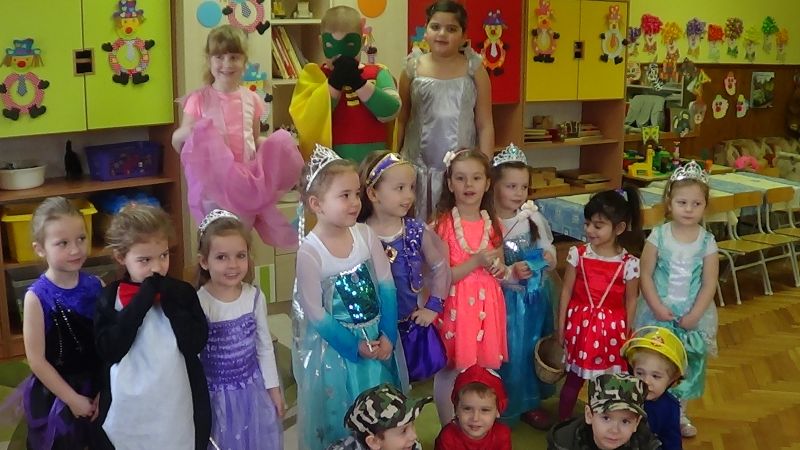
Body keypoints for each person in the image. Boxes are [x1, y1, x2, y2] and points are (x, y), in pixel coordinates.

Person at [293, 144, 403, 450]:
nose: (356, 202)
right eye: (345, 195)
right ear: (317, 203)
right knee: (342, 410)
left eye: (356, 193)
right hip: (337, 351)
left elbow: (387, 285)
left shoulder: (365, 235)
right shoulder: (310, 252)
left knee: (379, 406)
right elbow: (316, 313)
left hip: (377, 338)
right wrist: (354, 346)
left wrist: (388, 335)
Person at [173, 24, 303, 248]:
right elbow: (181, 143)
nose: (226, 64)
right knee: (216, 243)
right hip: (212, 188)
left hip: (244, 186)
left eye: (234, 57)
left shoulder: (252, 99)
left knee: (241, 241)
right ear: (209, 60)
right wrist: (192, 133)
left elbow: (254, 140)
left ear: (244, 61)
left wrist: (280, 148)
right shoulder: (199, 100)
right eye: (219, 57)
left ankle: (243, 271)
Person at [94, 204, 210, 449]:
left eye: (164, 256)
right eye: (145, 260)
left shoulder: (181, 292)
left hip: (177, 400)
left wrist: (171, 301)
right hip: (131, 403)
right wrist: (141, 302)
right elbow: (110, 350)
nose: (157, 268)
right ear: (121, 257)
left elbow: (195, 343)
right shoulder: (109, 297)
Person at [633, 161, 718, 438]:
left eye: (696, 203)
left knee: (685, 364)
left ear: (705, 206)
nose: (689, 209)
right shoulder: (659, 236)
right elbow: (645, 274)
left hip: (691, 314)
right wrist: (656, 306)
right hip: (658, 311)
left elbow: (709, 282)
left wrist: (695, 314)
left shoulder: (707, 241)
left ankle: (678, 413)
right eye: (682, 202)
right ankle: (643, 408)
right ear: (669, 203)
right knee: (654, 362)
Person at [358, 151, 451, 383]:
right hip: (371, 332)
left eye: (411, 187)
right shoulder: (358, 234)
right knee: (374, 383)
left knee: (402, 383)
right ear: (373, 193)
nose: (408, 195)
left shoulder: (416, 231)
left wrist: (433, 306)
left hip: (408, 326)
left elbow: (440, 267)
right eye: (399, 188)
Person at [398, 0, 494, 222]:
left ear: (463, 36)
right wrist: (395, 162)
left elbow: (485, 124)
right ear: (426, 31)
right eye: (435, 27)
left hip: (460, 171)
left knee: (454, 227)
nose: (442, 34)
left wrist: (484, 169)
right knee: (417, 226)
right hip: (417, 167)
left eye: (451, 29)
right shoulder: (412, 68)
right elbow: (401, 120)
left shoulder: (474, 70)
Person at [196, 209, 284, 449]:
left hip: (252, 391)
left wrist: (273, 388)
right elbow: (194, 356)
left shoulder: (254, 297)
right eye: (221, 257)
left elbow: (264, 347)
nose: (233, 265)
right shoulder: (200, 302)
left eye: (240, 256)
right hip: (216, 396)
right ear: (204, 261)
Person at [431, 149, 507, 425]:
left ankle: (478, 425)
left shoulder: (492, 223)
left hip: (487, 307)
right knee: (452, 367)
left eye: (476, 178)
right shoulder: (442, 226)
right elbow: (441, 278)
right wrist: (475, 262)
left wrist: (500, 269)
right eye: (460, 178)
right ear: (450, 184)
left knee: (483, 368)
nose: (468, 184)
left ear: (487, 183)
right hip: (457, 308)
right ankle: (447, 427)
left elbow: (501, 267)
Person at [19, 197, 102, 449]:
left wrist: (105, 389)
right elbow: (36, 360)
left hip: (97, 383)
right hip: (58, 391)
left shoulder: (97, 286)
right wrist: (72, 399)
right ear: (40, 249)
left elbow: (107, 343)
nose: (76, 250)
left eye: (81, 238)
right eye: (63, 243)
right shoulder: (36, 297)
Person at [557, 187, 643, 421]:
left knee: (608, 384)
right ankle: (562, 425)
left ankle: (604, 426)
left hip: (612, 333)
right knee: (573, 381)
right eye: (587, 224)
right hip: (580, 328)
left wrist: (628, 335)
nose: (589, 230)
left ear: (619, 228)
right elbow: (566, 291)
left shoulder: (629, 263)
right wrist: (561, 326)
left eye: (597, 225)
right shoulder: (578, 254)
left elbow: (631, 300)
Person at [491, 144, 557, 429]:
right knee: (511, 354)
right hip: (507, 302)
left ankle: (531, 402)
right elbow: (488, 267)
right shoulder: (489, 222)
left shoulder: (532, 218)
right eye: (511, 186)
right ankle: (506, 403)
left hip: (535, 299)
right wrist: (511, 272)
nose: (519, 193)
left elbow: (549, 252)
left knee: (533, 350)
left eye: (524, 187)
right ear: (494, 186)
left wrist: (545, 260)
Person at [290, 6, 400, 162]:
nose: (340, 55)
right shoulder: (313, 76)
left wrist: (358, 82)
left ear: (361, 42)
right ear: (321, 43)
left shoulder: (378, 73)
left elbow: (391, 111)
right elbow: (308, 121)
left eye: (349, 45)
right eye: (331, 46)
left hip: (374, 165)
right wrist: (334, 83)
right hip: (333, 166)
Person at [547, 373, 662, 450]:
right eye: (606, 418)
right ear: (589, 415)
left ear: (636, 423)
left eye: (625, 421)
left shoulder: (645, 444)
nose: (614, 430)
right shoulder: (565, 442)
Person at [623, 326, 688, 450]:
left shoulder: (670, 407)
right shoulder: (622, 395)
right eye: (640, 373)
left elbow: (672, 440)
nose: (646, 382)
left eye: (656, 376)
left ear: (672, 379)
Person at [326, 384, 432, 450]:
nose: (414, 435)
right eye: (403, 431)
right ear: (374, 442)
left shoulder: (411, 446)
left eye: (412, 425)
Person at [434, 365, 511, 450]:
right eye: (467, 408)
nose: (475, 418)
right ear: (456, 409)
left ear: (497, 411)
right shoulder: (447, 438)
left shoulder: (502, 436)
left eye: (485, 410)